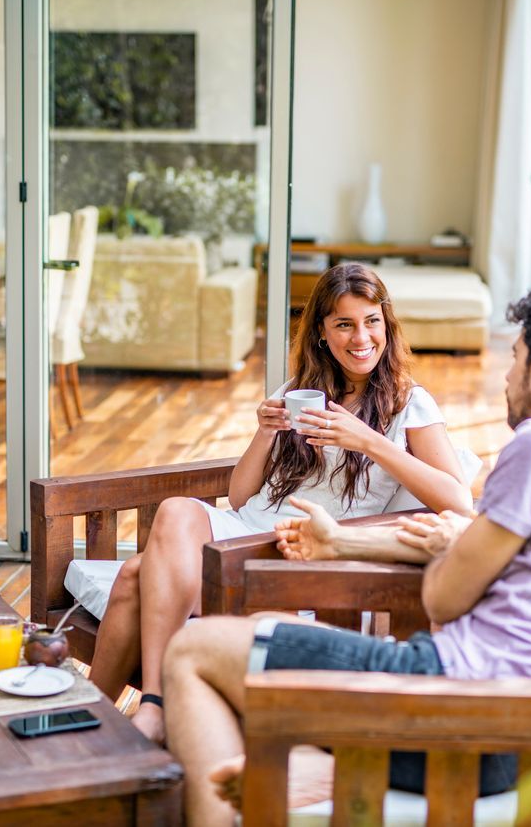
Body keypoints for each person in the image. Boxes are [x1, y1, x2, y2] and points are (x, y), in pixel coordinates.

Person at [161, 281, 531, 825]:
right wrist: (354, 541)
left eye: (515, 358)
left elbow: (444, 598)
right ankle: (313, 765)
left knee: (195, 648)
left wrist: (452, 552)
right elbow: (510, 556)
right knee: (267, 624)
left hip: (465, 713)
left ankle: (292, 776)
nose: (506, 376)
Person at [89, 263, 473, 744]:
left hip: (304, 550)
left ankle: (112, 722)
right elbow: (238, 496)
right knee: (177, 510)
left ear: (387, 325)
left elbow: (459, 501)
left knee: (132, 577)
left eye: (372, 321)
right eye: (344, 324)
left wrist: (368, 441)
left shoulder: (408, 403)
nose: (361, 338)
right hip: (249, 531)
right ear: (321, 334)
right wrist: (265, 430)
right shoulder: (297, 394)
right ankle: (142, 710)